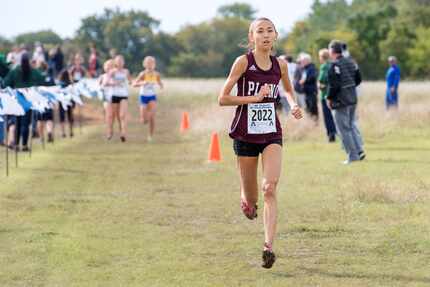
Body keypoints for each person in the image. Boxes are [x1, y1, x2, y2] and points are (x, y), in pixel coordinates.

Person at [218, 17, 302, 269]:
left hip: (271, 133)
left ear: (275, 35)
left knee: (270, 188)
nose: (265, 35)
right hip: (245, 135)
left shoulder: (281, 65)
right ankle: (246, 200)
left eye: (269, 31)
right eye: (260, 31)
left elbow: (287, 90)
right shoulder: (243, 62)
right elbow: (222, 98)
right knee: (253, 198)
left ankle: (268, 247)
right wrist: (253, 98)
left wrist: (294, 103)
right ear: (252, 36)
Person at [326, 40, 364, 164]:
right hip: (353, 98)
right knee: (351, 126)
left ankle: (353, 157)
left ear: (332, 51)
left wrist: (329, 98)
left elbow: (334, 85)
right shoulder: (351, 61)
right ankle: (359, 151)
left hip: (341, 101)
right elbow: (358, 79)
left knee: (344, 129)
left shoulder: (334, 65)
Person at [3, 53, 44, 151]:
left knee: (17, 122)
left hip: (17, 100)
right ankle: (24, 145)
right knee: (25, 124)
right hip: (28, 100)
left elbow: (6, 83)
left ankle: (16, 144)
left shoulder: (15, 71)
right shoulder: (33, 71)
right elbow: (42, 80)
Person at [132, 56, 163, 141]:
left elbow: (160, 83)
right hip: (143, 97)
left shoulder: (157, 74)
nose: (150, 65)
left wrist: (161, 86)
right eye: (148, 63)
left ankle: (150, 136)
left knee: (152, 117)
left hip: (152, 96)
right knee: (144, 121)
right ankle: (144, 118)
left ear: (154, 65)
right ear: (144, 64)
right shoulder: (142, 74)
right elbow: (134, 84)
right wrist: (142, 83)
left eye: (152, 63)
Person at [111, 55, 131, 142]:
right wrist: (114, 82)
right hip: (115, 95)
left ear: (123, 62)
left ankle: (124, 133)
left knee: (122, 115)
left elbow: (130, 81)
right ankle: (121, 130)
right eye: (118, 61)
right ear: (115, 62)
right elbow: (108, 81)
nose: (119, 63)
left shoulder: (126, 71)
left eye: (121, 61)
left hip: (124, 95)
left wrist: (133, 83)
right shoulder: (112, 72)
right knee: (117, 116)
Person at [318, 48, 337, 142]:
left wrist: (319, 85)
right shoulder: (333, 65)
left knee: (327, 116)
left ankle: (331, 135)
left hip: (325, 94)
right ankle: (336, 133)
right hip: (334, 94)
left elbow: (322, 81)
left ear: (322, 57)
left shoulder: (324, 66)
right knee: (334, 115)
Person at [36, 61, 55, 143]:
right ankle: (49, 131)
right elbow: (55, 89)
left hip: (39, 101)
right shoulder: (50, 77)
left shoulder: (37, 76)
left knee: (40, 120)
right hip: (49, 101)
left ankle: (41, 138)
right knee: (49, 119)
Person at [299, 53, 318, 121]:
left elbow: (312, 77)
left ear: (307, 61)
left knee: (313, 107)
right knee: (308, 107)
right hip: (306, 91)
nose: (302, 62)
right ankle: (311, 121)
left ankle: (315, 122)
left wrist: (304, 81)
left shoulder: (312, 68)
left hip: (311, 91)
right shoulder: (305, 68)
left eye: (303, 61)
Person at [99, 59, 115, 139]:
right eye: (107, 66)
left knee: (114, 115)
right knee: (109, 115)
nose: (109, 68)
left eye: (111, 66)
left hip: (116, 97)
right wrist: (105, 84)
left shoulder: (116, 76)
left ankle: (116, 130)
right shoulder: (102, 76)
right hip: (107, 98)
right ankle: (109, 131)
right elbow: (99, 87)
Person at [58, 68, 74, 138]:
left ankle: (63, 132)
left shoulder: (59, 83)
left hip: (61, 101)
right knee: (70, 116)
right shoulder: (70, 83)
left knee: (62, 117)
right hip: (69, 100)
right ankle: (71, 131)